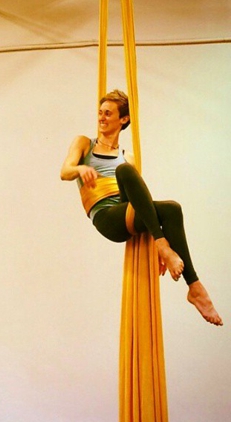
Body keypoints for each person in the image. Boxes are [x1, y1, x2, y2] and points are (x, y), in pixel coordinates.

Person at [60, 89, 222, 326]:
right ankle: (163, 245)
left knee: (171, 208)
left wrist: (153, 232)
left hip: (126, 209)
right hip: (107, 218)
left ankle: (194, 287)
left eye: (108, 113)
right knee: (125, 171)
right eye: (100, 113)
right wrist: (80, 169)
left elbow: (141, 199)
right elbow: (64, 172)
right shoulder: (84, 143)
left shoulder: (128, 156)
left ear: (123, 119)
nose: (101, 118)